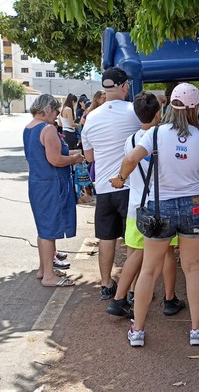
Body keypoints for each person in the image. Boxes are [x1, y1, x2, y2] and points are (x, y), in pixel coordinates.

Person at [110, 82, 199, 347]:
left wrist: (121, 178)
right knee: (192, 269)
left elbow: (132, 158)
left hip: (159, 208)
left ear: (171, 104)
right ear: (196, 107)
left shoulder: (154, 134)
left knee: (148, 270)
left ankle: (138, 331)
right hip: (194, 206)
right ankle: (196, 329)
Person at [105, 91, 185, 318]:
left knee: (136, 253)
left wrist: (120, 179)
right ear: (159, 113)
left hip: (136, 205)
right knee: (168, 252)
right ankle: (170, 299)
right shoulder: (167, 137)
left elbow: (129, 167)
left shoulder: (130, 140)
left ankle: (122, 297)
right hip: (162, 205)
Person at [81, 67, 141, 300]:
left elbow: (89, 158)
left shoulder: (91, 118)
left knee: (106, 238)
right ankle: (134, 288)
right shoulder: (134, 112)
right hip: (130, 186)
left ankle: (106, 285)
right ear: (124, 86)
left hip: (104, 187)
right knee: (133, 241)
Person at [23, 94, 84, 287]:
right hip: (51, 184)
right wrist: (75, 159)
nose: (57, 116)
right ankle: (49, 275)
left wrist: (73, 154)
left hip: (38, 183)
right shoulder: (47, 129)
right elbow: (55, 160)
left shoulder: (29, 127)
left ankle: (44, 269)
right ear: (48, 109)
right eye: (56, 111)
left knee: (44, 229)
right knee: (49, 230)